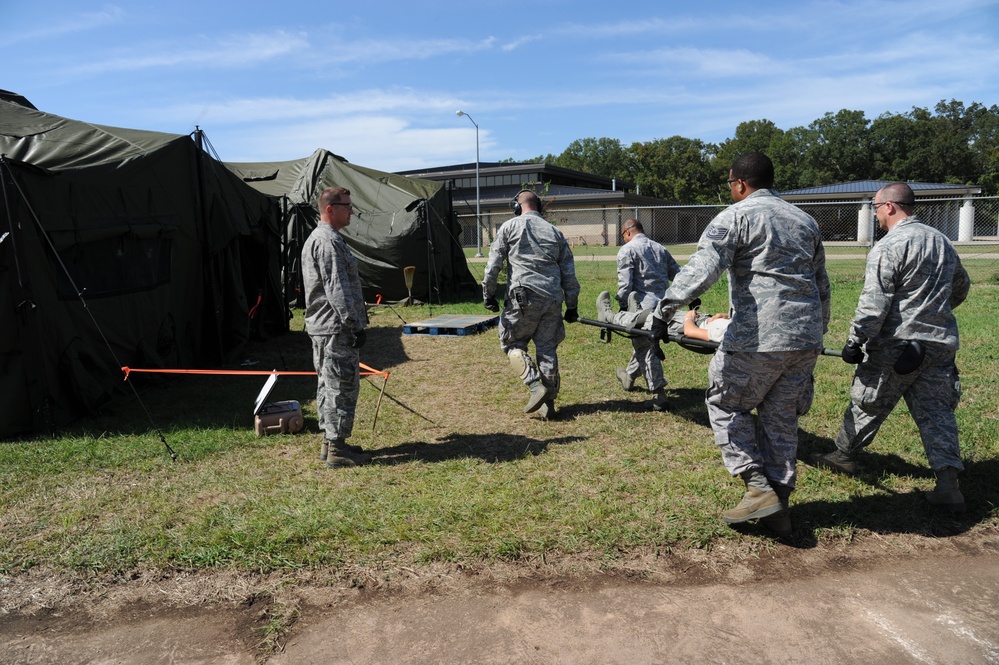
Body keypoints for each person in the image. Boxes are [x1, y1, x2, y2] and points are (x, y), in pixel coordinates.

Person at [649, 152, 831, 537]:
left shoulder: (737, 216)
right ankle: (779, 505)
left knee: (724, 403)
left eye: (730, 183)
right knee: (780, 420)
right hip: (804, 338)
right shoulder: (805, 221)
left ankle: (757, 485)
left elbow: (703, 269)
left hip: (758, 337)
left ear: (740, 183)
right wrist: (818, 331)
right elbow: (822, 284)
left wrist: (663, 310)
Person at [813, 182, 971, 513]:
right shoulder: (941, 241)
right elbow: (961, 286)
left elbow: (874, 304)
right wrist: (934, 314)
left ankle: (843, 456)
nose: (874, 214)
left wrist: (855, 341)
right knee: (937, 413)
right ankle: (948, 485)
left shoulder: (889, 246)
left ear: (889, 207)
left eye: (875, 207)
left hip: (898, 347)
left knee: (868, 401)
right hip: (939, 344)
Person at [482, 189, 581, 418]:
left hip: (522, 297)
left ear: (518, 206)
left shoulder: (509, 227)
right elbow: (569, 273)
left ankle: (535, 386)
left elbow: (494, 264)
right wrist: (572, 305)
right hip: (552, 298)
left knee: (512, 343)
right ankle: (549, 405)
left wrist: (488, 294)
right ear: (540, 206)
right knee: (547, 348)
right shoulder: (555, 232)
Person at [302, 186, 371, 468]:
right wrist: (354, 325)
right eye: (347, 206)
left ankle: (331, 442)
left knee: (329, 386)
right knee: (340, 387)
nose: (352, 211)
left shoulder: (324, 239)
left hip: (326, 327)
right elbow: (337, 289)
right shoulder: (327, 242)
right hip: (336, 328)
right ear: (330, 209)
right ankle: (336, 449)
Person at [605, 219, 681, 411]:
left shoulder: (627, 250)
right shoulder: (660, 248)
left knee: (645, 349)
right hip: (664, 307)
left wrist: (622, 306)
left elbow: (625, 284)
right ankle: (628, 377)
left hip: (641, 309)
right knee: (643, 344)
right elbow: (677, 275)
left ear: (627, 232)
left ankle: (659, 394)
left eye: (622, 236)